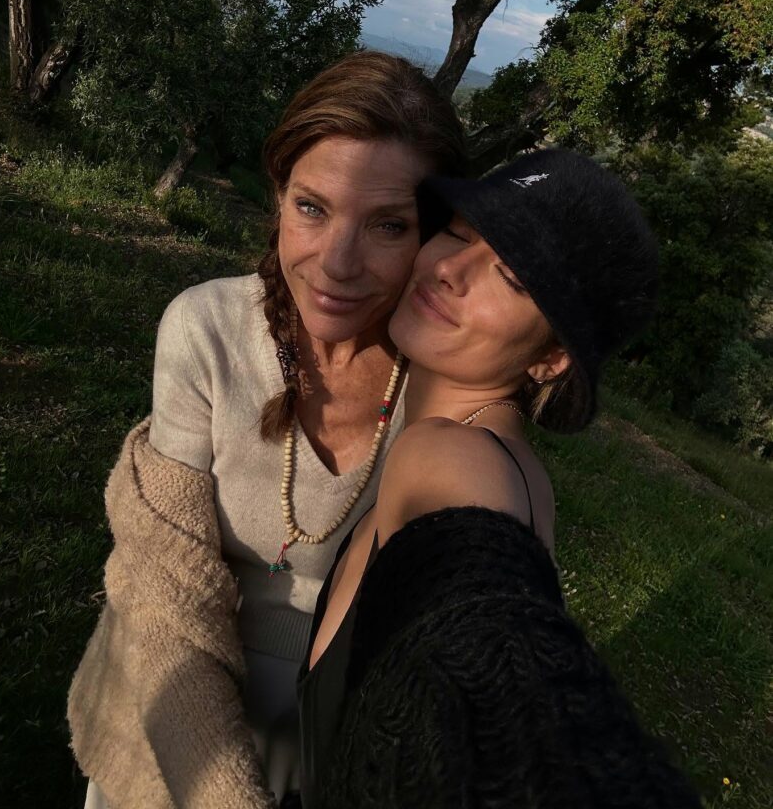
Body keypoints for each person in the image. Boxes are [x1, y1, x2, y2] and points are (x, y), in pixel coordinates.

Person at [67, 51, 467, 809]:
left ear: (435, 235)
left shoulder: (449, 388)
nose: (337, 264)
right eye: (312, 208)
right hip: (171, 712)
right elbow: (163, 592)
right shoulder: (207, 330)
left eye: (388, 225)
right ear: (278, 196)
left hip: (346, 742)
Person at [298, 148, 702, 808]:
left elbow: (495, 649)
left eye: (511, 276)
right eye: (459, 233)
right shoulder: (518, 469)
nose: (448, 268)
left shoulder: (450, 458)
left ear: (551, 357)